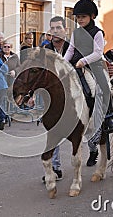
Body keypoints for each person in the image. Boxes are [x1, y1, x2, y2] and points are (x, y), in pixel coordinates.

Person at [63, 0, 113, 167]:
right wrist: (63, 63)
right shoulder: (76, 33)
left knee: (101, 88)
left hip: (93, 66)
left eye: (83, 17)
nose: (80, 19)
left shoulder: (98, 32)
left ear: (92, 16)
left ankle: (110, 117)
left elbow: (98, 52)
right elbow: (70, 50)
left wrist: (83, 61)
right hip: (76, 64)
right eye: (78, 17)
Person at [41, 15, 71, 181]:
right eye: (52, 28)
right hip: (54, 98)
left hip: (74, 92)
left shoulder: (72, 47)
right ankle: (56, 168)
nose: (55, 31)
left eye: (58, 28)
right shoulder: (45, 49)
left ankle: (95, 143)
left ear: (65, 30)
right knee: (53, 131)